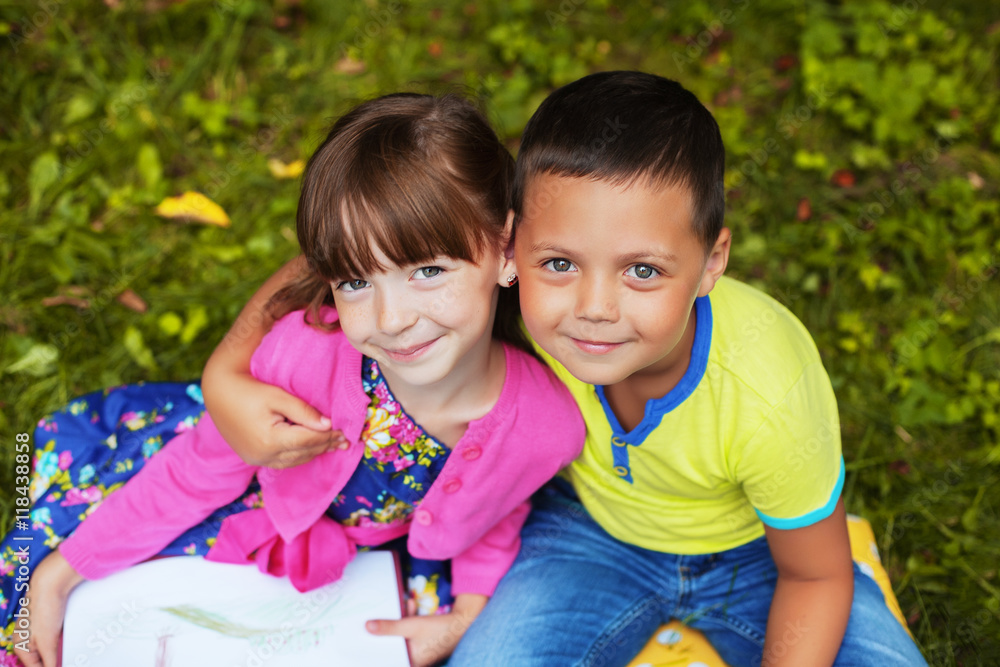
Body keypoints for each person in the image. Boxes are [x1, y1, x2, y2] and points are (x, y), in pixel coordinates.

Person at [204, 73, 928, 666]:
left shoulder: (767, 392)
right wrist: (226, 373)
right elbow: (350, 247)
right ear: (506, 249)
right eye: (560, 263)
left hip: (760, 558)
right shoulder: (507, 298)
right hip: (583, 536)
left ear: (712, 262)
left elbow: (816, 572)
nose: (593, 307)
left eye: (642, 270)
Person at [4, 92, 584, 667]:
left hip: (373, 568)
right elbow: (201, 470)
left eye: (428, 271)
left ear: (507, 249)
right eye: (356, 281)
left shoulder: (544, 424)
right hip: (243, 501)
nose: (391, 319)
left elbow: (499, 506)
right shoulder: (306, 359)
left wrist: (470, 610)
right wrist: (58, 577)